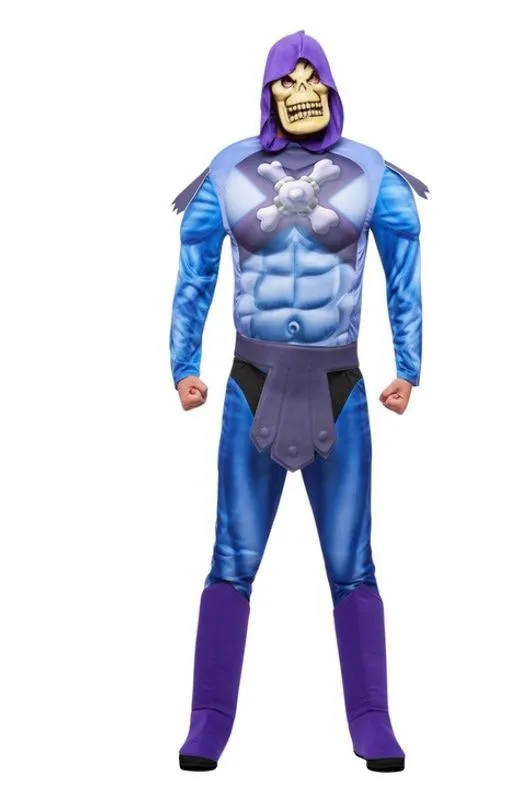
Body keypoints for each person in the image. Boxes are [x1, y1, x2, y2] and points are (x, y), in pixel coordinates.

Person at [170, 30, 427, 773]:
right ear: (271, 90)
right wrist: (182, 364)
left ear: (332, 86)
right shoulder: (228, 171)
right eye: (291, 77)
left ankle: (372, 719)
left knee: (353, 563)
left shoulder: (372, 173)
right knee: (231, 560)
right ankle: (209, 718)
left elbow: (403, 274)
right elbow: (195, 271)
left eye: (315, 76)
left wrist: (410, 366)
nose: (304, 88)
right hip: (250, 383)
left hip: (339, 385)